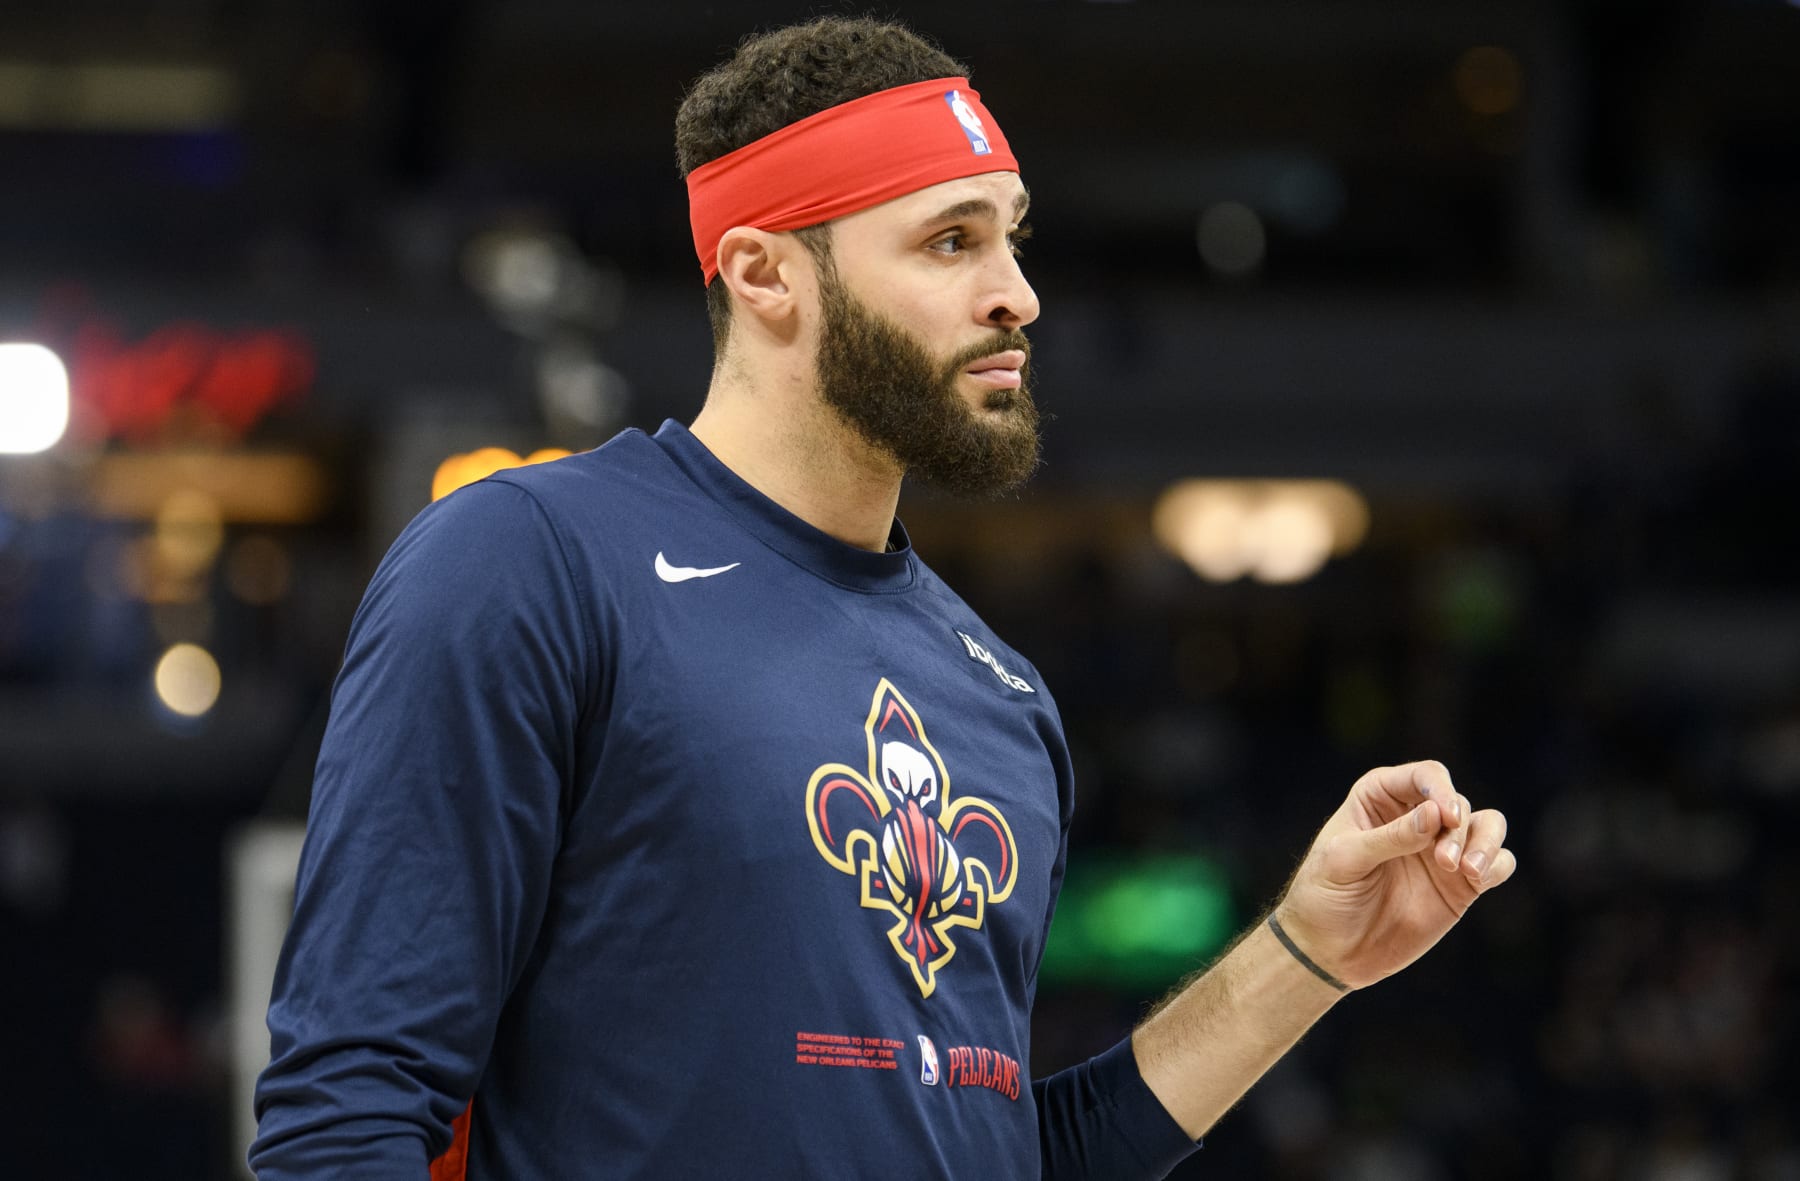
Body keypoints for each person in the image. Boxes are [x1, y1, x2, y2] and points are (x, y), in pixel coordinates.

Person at [250, 16, 1516, 1180]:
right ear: (764, 276)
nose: (1017, 289)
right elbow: (347, 1110)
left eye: (1013, 233)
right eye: (951, 240)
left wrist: (1305, 955)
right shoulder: (531, 561)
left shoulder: (1000, 692)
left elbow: (1002, 1152)